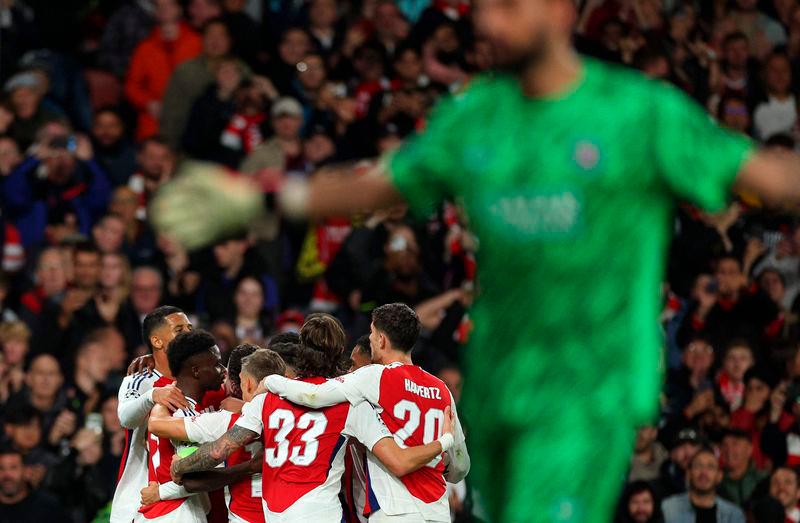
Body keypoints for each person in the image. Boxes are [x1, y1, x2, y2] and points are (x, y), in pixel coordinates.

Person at [150, 0, 800, 520]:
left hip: (582, 388)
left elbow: (768, 179)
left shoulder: (639, 113)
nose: (488, 22)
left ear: (562, 9)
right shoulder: (476, 118)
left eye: (508, 5)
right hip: (496, 383)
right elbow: (384, 185)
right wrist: (264, 194)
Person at [170, 313, 458, 523]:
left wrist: (181, 465)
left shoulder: (267, 398)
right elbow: (397, 459)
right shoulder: (352, 405)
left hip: (275, 513)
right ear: (339, 354)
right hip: (322, 513)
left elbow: (220, 449)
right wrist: (442, 443)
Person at [263, 303, 470, 521]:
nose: (370, 339)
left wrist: (271, 381)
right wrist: (438, 461)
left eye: (372, 333)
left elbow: (314, 395)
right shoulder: (441, 389)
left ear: (381, 339)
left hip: (394, 511)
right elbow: (461, 466)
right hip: (437, 512)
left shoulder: (376, 377)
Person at [147, 345, 284, 523]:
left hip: (244, 517)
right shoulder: (297, 419)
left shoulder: (226, 420)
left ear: (247, 383)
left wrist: (161, 398)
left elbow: (157, 425)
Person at [109, 305, 190, 523]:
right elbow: (125, 418)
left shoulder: (200, 379)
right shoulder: (140, 379)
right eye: (180, 330)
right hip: (143, 499)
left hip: (191, 496)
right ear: (157, 341)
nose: (189, 334)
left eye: (190, 328)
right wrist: (152, 396)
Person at [137, 329, 226, 521]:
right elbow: (194, 477)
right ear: (195, 370)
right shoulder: (182, 414)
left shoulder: (164, 408)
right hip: (177, 513)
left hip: (161, 513)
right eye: (217, 364)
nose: (223, 370)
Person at [662, 448, 746, 523]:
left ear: (719, 476)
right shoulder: (669, 508)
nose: (704, 473)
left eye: (710, 467)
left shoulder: (734, 514)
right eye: (698, 466)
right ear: (688, 474)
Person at [0, 446, 70, 522]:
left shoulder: (49, 507)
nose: (7, 475)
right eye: (1, 468)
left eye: (13, 468)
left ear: (26, 471)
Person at [718, 429, 768, 508]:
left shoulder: (763, 480)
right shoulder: (714, 481)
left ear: (749, 449)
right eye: (724, 445)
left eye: (735, 444)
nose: (729, 450)